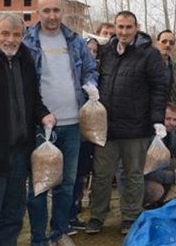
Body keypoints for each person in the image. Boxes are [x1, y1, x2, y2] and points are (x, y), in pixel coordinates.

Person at [0, 13, 56, 246]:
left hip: (21, 151)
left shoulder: (25, 61)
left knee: (14, 215)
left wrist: (43, 114)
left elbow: (33, 99)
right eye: (5, 33)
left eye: (17, 35)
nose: (10, 39)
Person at [23, 0, 99, 246]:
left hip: (73, 123)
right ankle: (38, 238)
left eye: (56, 10)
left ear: (62, 12)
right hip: (39, 124)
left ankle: (59, 232)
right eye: (47, 11)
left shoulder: (75, 41)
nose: (52, 16)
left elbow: (90, 68)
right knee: (39, 184)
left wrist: (90, 85)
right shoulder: (27, 42)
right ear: (38, 12)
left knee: (67, 184)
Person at [86, 11, 167, 236]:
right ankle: (96, 215)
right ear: (115, 27)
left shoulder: (149, 54)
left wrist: (157, 120)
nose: (123, 32)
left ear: (136, 27)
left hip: (136, 127)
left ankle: (130, 216)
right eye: (120, 27)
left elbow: (159, 88)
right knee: (101, 175)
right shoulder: (107, 52)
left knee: (133, 174)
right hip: (107, 128)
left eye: (128, 27)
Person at [68, 36, 101, 235]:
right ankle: (65, 216)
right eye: (88, 50)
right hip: (71, 127)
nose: (91, 53)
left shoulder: (96, 75)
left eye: (95, 51)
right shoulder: (73, 73)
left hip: (89, 133)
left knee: (81, 174)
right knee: (68, 176)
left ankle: (74, 213)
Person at [144, 104, 176, 206]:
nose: (171, 123)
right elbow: (147, 171)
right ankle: (145, 207)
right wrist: (174, 177)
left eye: (174, 120)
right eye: (168, 119)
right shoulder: (148, 136)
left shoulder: (170, 134)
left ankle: (164, 203)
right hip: (144, 180)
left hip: (162, 176)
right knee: (156, 190)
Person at [155, 29, 176, 116]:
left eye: (171, 43)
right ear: (157, 43)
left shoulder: (175, 68)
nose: (167, 45)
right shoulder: (148, 64)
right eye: (164, 41)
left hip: (170, 115)